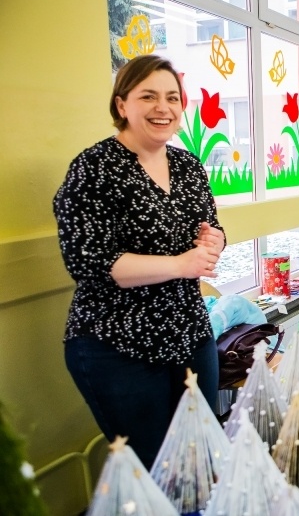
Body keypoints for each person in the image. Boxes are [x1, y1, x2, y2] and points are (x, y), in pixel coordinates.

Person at [53, 55, 225, 469]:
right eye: (148, 96)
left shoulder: (188, 166)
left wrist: (214, 241)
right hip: (118, 344)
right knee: (152, 467)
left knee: (201, 452)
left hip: (188, 331)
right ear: (121, 105)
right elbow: (91, 262)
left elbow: (210, 228)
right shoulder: (94, 168)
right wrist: (180, 264)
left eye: (172, 98)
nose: (162, 108)